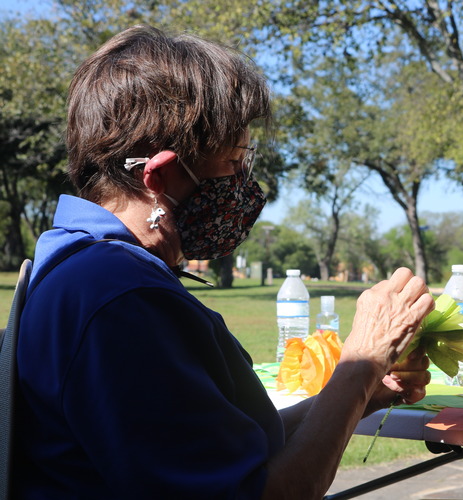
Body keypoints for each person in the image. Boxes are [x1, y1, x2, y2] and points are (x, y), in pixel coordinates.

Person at [12, 25, 434, 499]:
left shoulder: (87, 271)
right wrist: (365, 356)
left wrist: (362, 393)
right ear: (161, 175)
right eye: (235, 162)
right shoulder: (119, 298)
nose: (243, 182)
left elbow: (223, 448)